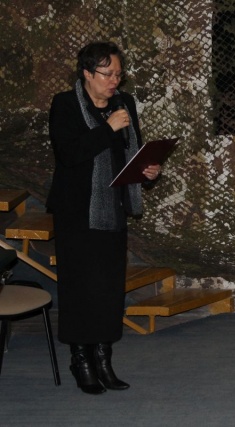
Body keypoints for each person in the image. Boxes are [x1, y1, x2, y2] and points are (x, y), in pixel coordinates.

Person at [46, 41, 161, 395]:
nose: (114, 81)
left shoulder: (125, 104)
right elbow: (69, 154)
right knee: (80, 289)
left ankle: (104, 359)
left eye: (118, 74)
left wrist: (148, 170)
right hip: (75, 214)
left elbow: (130, 154)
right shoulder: (65, 104)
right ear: (86, 73)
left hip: (113, 210)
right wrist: (107, 128)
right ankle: (81, 360)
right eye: (107, 74)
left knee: (109, 290)